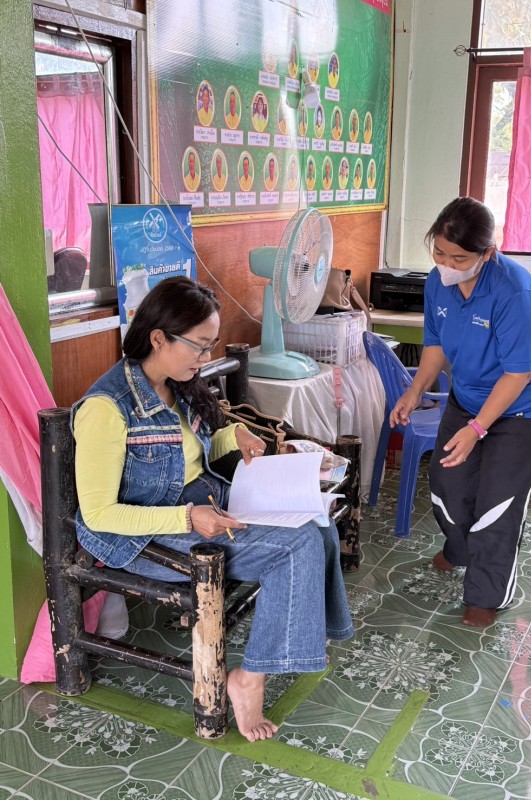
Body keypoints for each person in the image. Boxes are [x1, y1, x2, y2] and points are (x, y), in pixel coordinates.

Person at [73, 277, 354, 741]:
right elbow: (100, 515)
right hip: (144, 535)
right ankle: (248, 679)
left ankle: (299, 635)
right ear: (158, 338)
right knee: (296, 546)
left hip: (201, 503)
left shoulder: (175, 383)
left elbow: (190, 449)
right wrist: (187, 518)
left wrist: (233, 436)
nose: (205, 358)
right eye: (199, 346)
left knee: (315, 522)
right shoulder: (107, 408)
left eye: (211, 346)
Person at [389, 198, 531, 628]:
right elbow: (435, 345)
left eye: (460, 258)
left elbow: (519, 373)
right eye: (439, 253)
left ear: (488, 252)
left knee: (497, 501)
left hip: (524, 405)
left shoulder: (515, 293)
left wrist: (476, 428)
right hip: (468, 397)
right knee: (447, 483)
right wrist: (414, 390)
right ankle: (461, 549)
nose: (447, 265)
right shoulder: (438, 283)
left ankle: (488, 593)